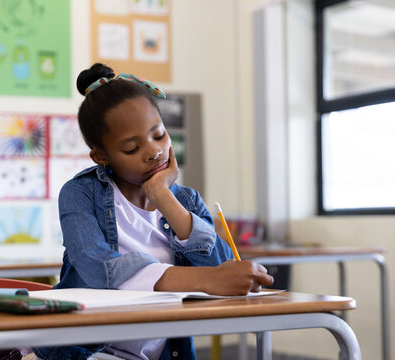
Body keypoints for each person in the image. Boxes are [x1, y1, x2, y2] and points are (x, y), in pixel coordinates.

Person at [32, 63, 274, 360]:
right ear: (101, 156)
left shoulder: (186, 201)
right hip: (87, 352)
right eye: (132, 149)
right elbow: (98, 269)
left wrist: (162, 195)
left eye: (158, 135)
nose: (153, 151)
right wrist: (204, 279)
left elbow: (221, 268)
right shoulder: (80, 194)